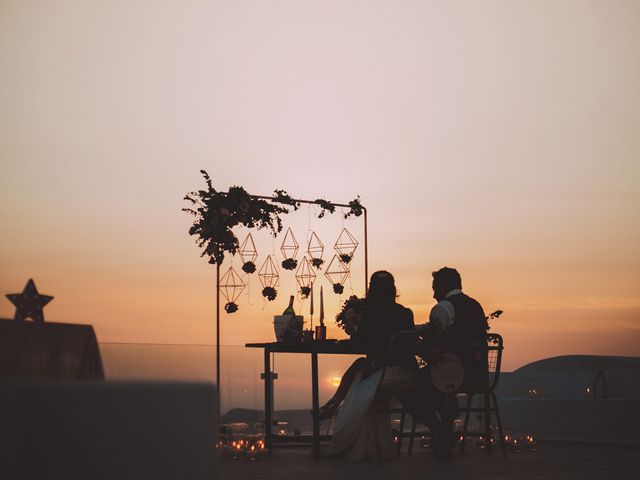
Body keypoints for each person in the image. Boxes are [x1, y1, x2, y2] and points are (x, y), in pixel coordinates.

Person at [321, 271, 417, 460]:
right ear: (392, 290)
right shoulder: (405, 313)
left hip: (385, 375)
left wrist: (353, 329)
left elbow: (360, 343)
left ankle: (335, 401)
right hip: (408, 373)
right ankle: (335, 401)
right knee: (361, 364)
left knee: (361, 364)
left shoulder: (371, 314)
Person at [413, 266, 490, 456]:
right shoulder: (475, 305)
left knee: (411, 383)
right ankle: (445, 427)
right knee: (433, 383)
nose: (433, 295)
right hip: (477, 374)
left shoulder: (442, 308)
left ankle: (439, 428)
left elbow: (435, 346)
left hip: (452, 375)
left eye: (435, 289)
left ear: (443, 286)